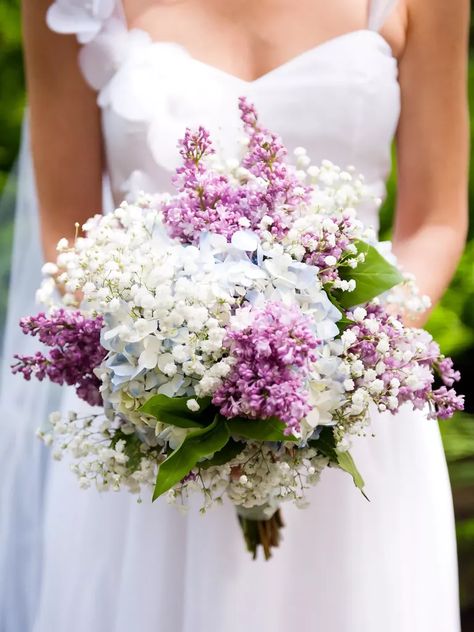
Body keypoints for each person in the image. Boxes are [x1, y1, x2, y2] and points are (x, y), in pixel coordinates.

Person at [3, 0, 469, 630]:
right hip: (152, 431)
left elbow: (434, 220)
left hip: (352, 411)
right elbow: (69, 231)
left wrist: (342, 364)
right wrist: (181, 374)